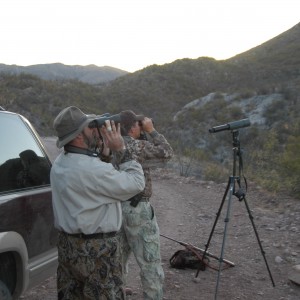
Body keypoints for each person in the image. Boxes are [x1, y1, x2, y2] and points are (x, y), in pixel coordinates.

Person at [50, 106, 145, 300]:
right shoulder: (93, 170)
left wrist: (104, 153)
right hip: (98, 251)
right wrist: (121, 150)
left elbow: (91, 174)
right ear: (78, 137)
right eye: (90, 128)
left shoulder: (60, 163)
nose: (95, 130)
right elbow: (136, 183)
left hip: (68, 247)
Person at [119, 110, 174, 300]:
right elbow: (166, 153)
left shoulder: (107, 146)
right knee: (149, 264)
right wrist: (152, 130)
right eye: (137, 125)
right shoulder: (137, 146)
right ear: (133, 127)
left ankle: (117, 293)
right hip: (137, 209)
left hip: (113, 210)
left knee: (117, 261)